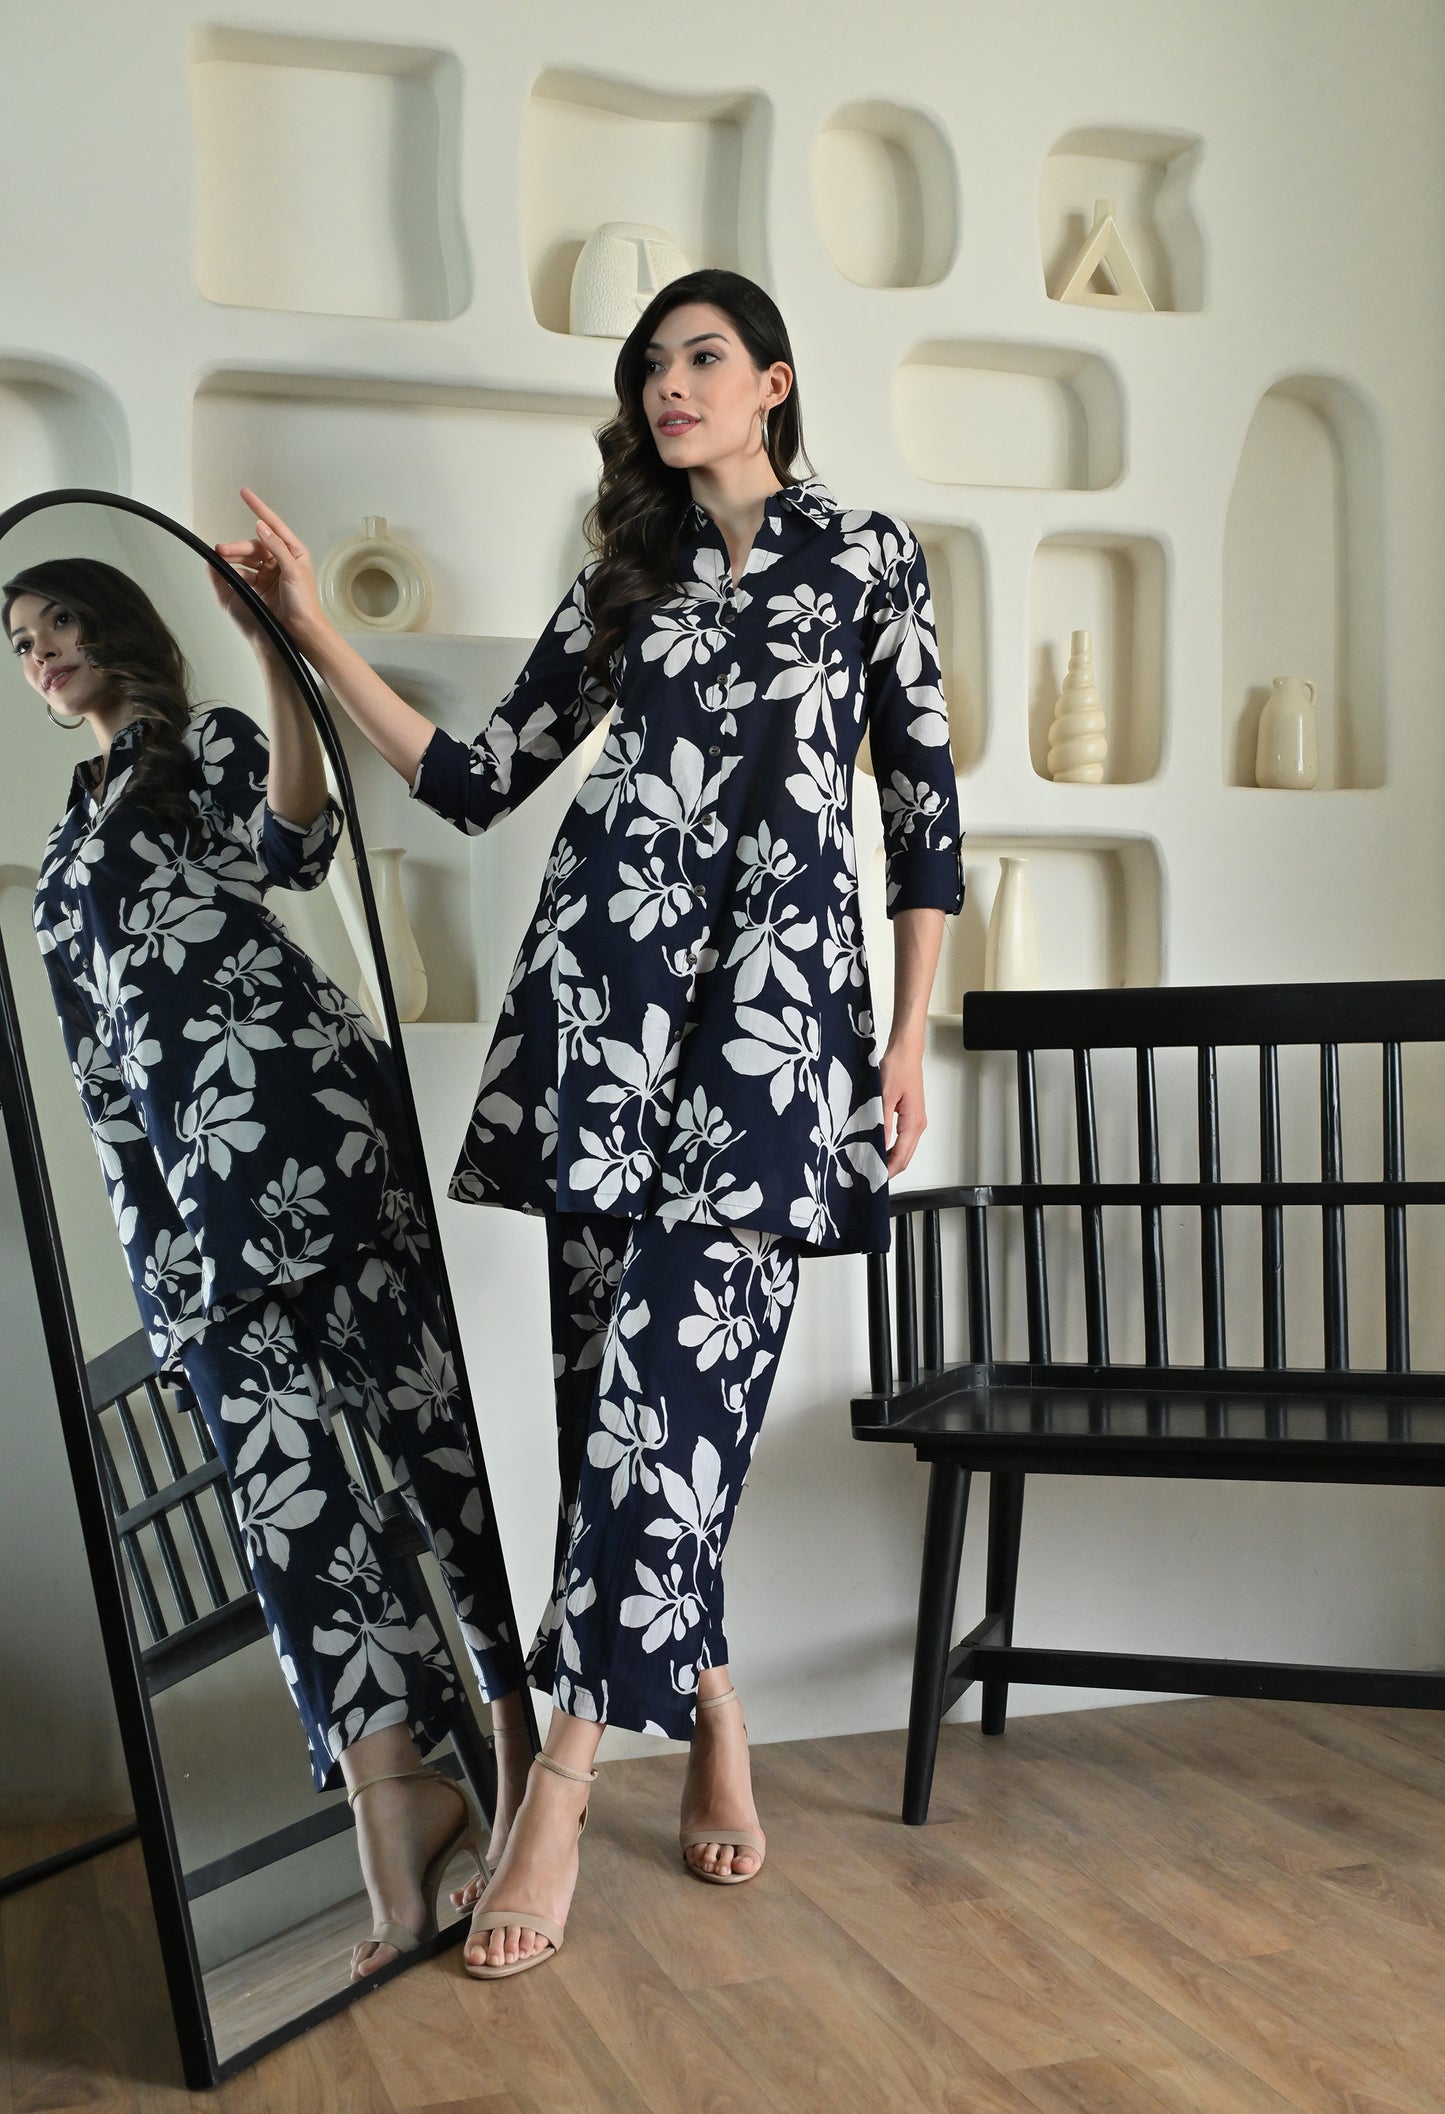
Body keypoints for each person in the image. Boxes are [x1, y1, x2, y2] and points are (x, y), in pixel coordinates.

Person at [220, 266, 963, 1979]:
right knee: (609, 1402)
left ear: (773, 381)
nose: (667, 387)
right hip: (603, 1025)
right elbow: (477, 777)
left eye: (701, 358)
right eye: (648, 369)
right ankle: (712, 1697)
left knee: (674, 1397)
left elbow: (923, 811)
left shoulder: (869, 560)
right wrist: (306, 629)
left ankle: (560, 1782)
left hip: (774, 1037)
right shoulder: (625, 574)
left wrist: (906, 1033)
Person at [6, 555, 517, 1979]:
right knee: (287, 1502)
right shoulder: (64, 834)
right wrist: (152, 1238)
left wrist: (278, 658)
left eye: (57, 624)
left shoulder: (203, 746)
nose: (40, 654)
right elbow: (100, 1068)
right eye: (21, 643)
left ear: (113, 627)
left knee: (429, 1449)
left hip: (303, 1127)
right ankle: (393, 1800)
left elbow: (296, 842)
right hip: (181, 1206)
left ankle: (519, 1742)